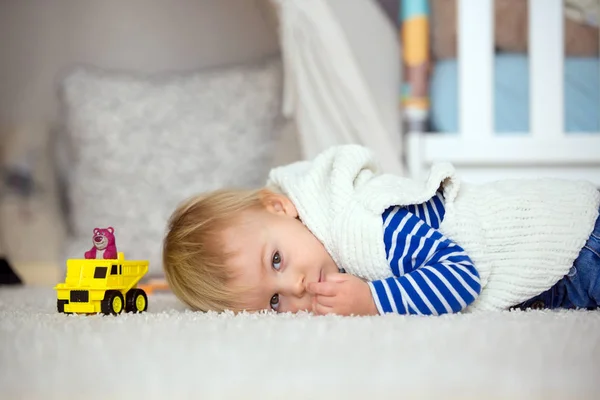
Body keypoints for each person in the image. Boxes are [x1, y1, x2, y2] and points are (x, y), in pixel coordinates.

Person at [162, 145, 600, 316]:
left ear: (279, 207)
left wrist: (373, 300)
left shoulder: (365, 221)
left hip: (576, 245)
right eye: (273, 302)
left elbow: (461, 275)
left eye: (276, 260)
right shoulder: (324, 248)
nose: (295, 287)